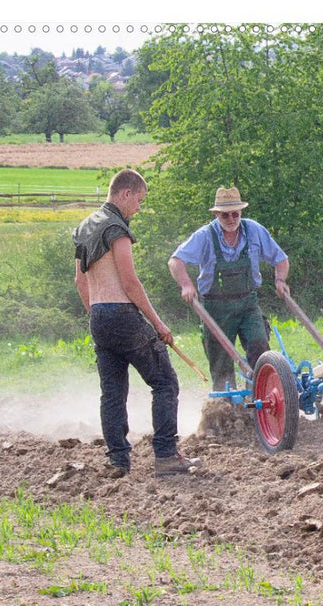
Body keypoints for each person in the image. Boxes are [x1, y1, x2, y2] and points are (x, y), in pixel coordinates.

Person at [74, 169, 201, 479]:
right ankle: (166, 456)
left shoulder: (85, 227)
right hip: (122, 314)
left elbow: (80, 281)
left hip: (98, 316)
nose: (139, 208)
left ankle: (118, 461)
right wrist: (158, 324)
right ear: (126, 193)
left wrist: (97, 314)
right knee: (165, 382)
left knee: (112, 393)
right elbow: (130, 282)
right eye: (139, 200)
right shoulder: (116, 228)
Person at [168, 187, 290, 391]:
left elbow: (281, 259)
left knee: (260, 347)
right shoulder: (205, 236)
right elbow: (175, 261)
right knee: (221, 364)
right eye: (225, 215)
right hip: (216, 308)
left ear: (241, 212)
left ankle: (262, 396)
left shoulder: (254, 230)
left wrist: (280, 280)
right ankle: (225, 405)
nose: (231, 219)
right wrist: (186, 285)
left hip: (248, 304)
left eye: (235, 214)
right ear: (217, 214)